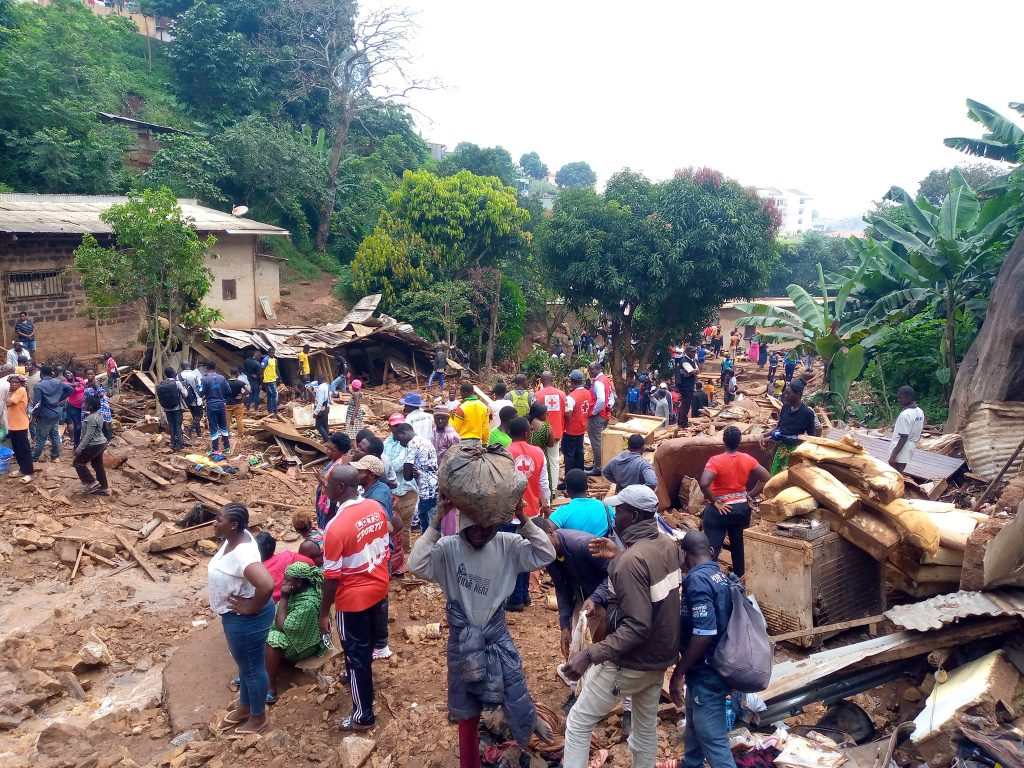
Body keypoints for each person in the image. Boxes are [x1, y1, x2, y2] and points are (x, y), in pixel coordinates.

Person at [408, 479, 556, 768]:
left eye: (488, 528)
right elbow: (415, 565)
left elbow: (547, 554)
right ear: (462, 523)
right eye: (474, 527)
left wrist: (523, 517)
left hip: (495, 630)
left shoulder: (508, 544)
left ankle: (525, 723)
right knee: (466, 707)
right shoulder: (447, 549)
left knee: (513, 684)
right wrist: (437, 519)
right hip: (462, 638)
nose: (481, 534)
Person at [562, 485, 681, 768]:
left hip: (630, 662)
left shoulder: (629, 562)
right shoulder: (667, 545)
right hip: (659, 659)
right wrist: (620, 554)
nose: (614, 515)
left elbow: (638, 626)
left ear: (635, 515)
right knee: (644, 729)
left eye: (620, 510)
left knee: (578, 722)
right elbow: (653, 591)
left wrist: (589, 654)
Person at [318, 464, 390, 732]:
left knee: (356, 656)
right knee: (365, 647)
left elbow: (332, 577)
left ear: (339, 488)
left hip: (353, 599)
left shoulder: (335, 528)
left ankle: (363, 716)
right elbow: (389, 531)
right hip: (378, 586)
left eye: (327, 484)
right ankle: (356, 676)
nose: (324, 487)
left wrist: (324, 613)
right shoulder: (375, 508)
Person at [669, 531, 736, 768]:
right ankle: (691, 764)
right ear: (710, 551)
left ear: (684, 555)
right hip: (714, 666)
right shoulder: (718, 574)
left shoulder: (696, 581)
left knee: (713, 740)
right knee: (695, 727)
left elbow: (703, 633)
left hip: (707, 671)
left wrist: (679, 672)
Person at [208, 503, 275, 735]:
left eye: (218, 519)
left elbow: (266, 584)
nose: (214, 522)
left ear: (234, 525)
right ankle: (246, 708)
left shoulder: (243, 554)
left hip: (246, 619)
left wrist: (250, 606)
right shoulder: (236, 536)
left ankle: (258, 718)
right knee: (247, 666)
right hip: (239, 616)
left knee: (253, 669)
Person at [537, 517, 613, 710]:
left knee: (609, 641)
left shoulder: (582, 546)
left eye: (542, 543)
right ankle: (576, 690)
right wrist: (564, 625)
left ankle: (613, 693)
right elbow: (562, 589)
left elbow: (615, 574)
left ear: (551, 532)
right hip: (586, 594)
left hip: (613, 592)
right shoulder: (549, 553)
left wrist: (595, 598)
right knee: (575, 636)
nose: (541, 550)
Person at [699, 426, 770, 577]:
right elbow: (766, 477)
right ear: (739, 442)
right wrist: (750, 495)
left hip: (721, 510)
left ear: (724, 441)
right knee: (739, 548)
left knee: (712, 548)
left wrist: (715, 501)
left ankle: (709, 578)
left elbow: (704, 483)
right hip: (741, 509)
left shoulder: (716, 460)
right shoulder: (747, 459)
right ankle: (740, 580)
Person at [505, 417, 551, 611]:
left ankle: (515, 598)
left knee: (510, 557)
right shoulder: (539, 452)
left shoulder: (505, 453)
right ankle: (523, 594)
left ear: (509, 433)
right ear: (526, 433)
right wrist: (546, 504)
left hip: (509, 513)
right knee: (524, 554)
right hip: (530, 512)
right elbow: (543, 483)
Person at [265, 561, 327, 703]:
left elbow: (281, 626)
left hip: (305, 644)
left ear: (299, 582)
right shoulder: (298, 592)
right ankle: (250, 675)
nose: (284, 582)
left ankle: (271, 689)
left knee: (273, 638)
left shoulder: (308, 603)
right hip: (294, 634)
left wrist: (284, 597)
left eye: (287, 580)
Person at [760, 378, 821, 474]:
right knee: (775, 477)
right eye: (785, 392)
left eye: (789, 393)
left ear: (798, 394)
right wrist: (764, 436)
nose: (785, 395)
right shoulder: (785, 407)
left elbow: (810, 436)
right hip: (781, 449)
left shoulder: (807, 413)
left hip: (796, 451)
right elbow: (779, 428)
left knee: (790, 478)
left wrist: (807, 455)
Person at [394, 422, 439, 537]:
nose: (400, 443)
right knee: (435, 523)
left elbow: (407, 475)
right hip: (435, 486)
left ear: (403, 433)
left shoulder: (412, 444)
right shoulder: (426, 441)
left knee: (427, 527)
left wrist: (410, 473)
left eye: (399, 439)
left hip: (426, 490)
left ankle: (431, 551)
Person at [550, 468, 612, 537]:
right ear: (587, 487)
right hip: (602, 547)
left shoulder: (562, 512)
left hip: (574, 548)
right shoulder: (605, 508)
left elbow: (546, 531)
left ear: (567, 490)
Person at [256, 531, 315, 602]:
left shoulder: (255, 572)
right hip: (295, 600)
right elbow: (311, 564)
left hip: (272, 607)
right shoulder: (288, 556)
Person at [32, 365, 72, 463]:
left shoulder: (39, 385)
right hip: (57, 412)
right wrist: (60, 398)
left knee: (41, 438)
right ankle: (55, 457)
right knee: (54, 435)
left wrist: (34, 416)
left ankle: (34, 459)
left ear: (41, 373)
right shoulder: (58, 382)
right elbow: (70, 389)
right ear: (51, 373)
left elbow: (37, 403)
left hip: (45, 414)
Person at [72, 395, 110, 495]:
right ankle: (103, 487)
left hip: (94, 444)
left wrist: (80, 448)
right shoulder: (98, 414)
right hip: (101, 443)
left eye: (86, 404)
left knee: (78, 462)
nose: (84, 405)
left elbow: (89, 435)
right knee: (97, 465)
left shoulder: (92, 418)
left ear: (91, 406)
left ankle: (91, 482)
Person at [536, 371, 567, 490]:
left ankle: (541, 489)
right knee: (554, 461)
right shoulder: (562, 394)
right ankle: (553, 489)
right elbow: (566, 413)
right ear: (552, 380)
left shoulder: (537, 395)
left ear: (541, 381)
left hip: (540, 432)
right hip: (556, 432)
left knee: (540, 461)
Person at [315, 432, 351, 529]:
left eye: (333, 450)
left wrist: (320, 479)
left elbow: (335, 488)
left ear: (342, 451)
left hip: (332, 505)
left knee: (329, 527)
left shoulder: (342, 465)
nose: (328, 451)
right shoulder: (333, 461)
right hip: (326, 501)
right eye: (328, 448)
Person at [562, 370, 593, 476]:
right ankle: (580, 475)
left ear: (571, 381)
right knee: (579, 452)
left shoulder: (571, 397)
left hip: (570, 430)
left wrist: (562, 410)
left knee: (569, 455)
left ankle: (568, 479)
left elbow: (568, 415)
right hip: (581, 428)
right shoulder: (587, 392)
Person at [888, 385, 925, 472]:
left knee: (895, 475)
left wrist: (893, 456)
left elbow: (904, 436)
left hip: (900, 449)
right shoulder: (920, 411)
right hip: (910, 447)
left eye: (901, 398)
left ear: (908, 398)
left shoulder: (905, 415)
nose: (898, 400)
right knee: (899, 473)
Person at [587, 361, 614, 476]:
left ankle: (598, 468)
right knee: (600, 440)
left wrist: (593, 412)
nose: (588, 372)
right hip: (605, 414)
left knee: (596, 442)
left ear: (595, 369)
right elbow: (612, 396)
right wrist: (610, 405)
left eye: (590, 370)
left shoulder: (598, 382)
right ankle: (598, 464)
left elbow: (601, 400)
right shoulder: (606, 380)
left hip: (597, 416)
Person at [6, 375, 34, 483]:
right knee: (17, 450)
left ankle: (29, 473)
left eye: (16, 383)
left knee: (24, 450)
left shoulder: (21, 390)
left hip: (20, 425)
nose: (14, 384)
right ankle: (22, 469)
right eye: (12, 382)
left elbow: (8, 403)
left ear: (20, 383)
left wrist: (8, 393)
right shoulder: (14, 392)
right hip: (12, 425)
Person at [528, 401, 557, 498]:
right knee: (543, 479)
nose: (547, 414)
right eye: (545, 413)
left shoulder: (525, 424)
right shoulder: (546, 427)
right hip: (541, 456)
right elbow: (551, 444)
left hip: (526, 455)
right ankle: (545, 499)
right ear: (540, 415)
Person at [202, 362, 231, 454]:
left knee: (213, 426)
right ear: (216, 367)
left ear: (207, 368)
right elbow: (229, 391)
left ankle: (215, 449)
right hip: (221, 404)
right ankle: (227, 447)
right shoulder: (222, 378)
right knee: (223, 426)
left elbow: (200, 393)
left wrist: (197, 385)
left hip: (211, 404)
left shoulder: (204, 379)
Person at [157, 366, 188, 450]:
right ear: (172, 373)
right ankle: (180, 444)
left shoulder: (160, 384)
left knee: (171, 425)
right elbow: (185, 394)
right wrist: (185, 389)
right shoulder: (177, 383)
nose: (175, 373)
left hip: (167, 408)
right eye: (174, 372)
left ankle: (173, 443)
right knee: (178, 425)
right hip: (177, 407)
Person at [674, 345, 700, 428]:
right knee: (686, 404)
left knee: (686, 404)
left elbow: (697, 371)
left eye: (695, 351)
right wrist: (692, 372)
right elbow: (693, 372)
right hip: (686, 386)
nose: (694, 353)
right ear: (687, 352)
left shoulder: (692, 360)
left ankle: (681, 421)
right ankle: (683, 423)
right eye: (692, 352)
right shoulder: (685, 361)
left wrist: (692, 373)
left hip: (689, 385)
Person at [178, 362, 205, 439]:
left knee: (194, 416)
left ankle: (199, 434)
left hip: (187, 399)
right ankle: (190, 430)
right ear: (189, 366)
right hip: (196, 398)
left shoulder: (178, 376)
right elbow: (200, 387)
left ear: (181, 367)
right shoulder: (195, 374)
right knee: (199, 415)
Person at [62, 369, 87, 449]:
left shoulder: (79, 379)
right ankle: (76, 444)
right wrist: (75, 385)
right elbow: (67, 387)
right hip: (73, 407)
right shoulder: (65, 383)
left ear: (73, 373)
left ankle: (85, 444)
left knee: (85, 425)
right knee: (78, 425)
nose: (67, 374)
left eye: (69, 372)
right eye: (65, 374)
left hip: (84, 406)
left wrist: (79, 383)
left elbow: (85, 386)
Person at [83, 375, 113, 441]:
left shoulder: (96, 383)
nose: (90, 375)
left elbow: (101, 394)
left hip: (99, 405)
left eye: (92, 374)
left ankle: (107, 440)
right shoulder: (85, 383)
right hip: (92, 406)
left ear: (94, 374)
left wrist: (94, 400)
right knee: (98, 423)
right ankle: (101, 439)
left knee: (104, 423)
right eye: (88, 374)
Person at [225, 369, 249, 438]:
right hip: (238, 403)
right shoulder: (240, 382)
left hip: (228, 403)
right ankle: (240, 434)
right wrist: (242, 395)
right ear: (237, 373)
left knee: (227, 419)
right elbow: (248, 390)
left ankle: (227, 434)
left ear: (230, 373)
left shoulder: (226, 382)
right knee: (239, 419)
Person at [261, 350, 279, 415]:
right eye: (271, 353)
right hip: (268, 380)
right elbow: (262, 369)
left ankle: (269, 409)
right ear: (268, 353)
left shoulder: (274, 360)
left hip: (273, 379)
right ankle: (275, 410)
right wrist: (262, 379)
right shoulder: (265, 360)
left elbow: (274, 370)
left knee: (269, 395)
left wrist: (277, 377)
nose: (273, 354)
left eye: (273, 353)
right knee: (274, 395)